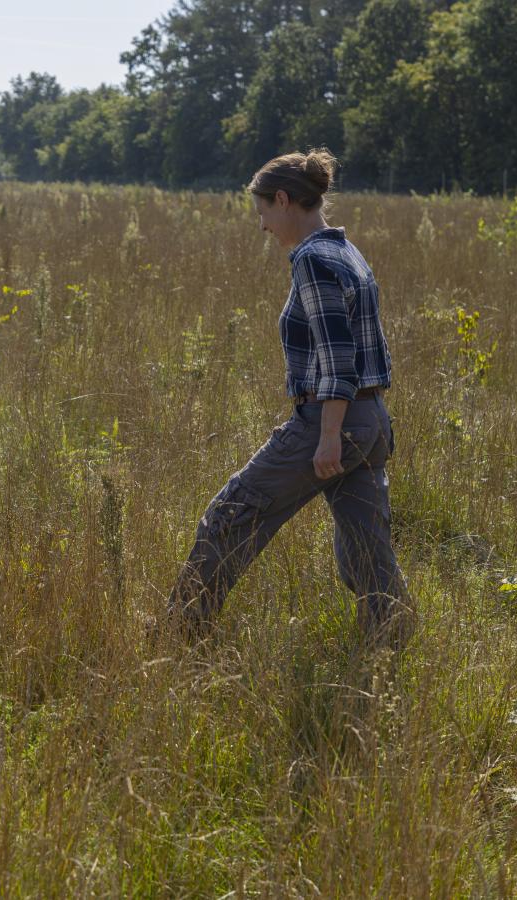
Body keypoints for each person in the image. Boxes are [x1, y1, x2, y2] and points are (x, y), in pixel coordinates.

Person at [167, 148, 415, 651]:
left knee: (230, 515)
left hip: (333, 422)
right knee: (366, 554)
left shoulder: (313, 260)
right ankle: (393, 645)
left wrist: (326, 437)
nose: (262, 226)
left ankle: (177, 635)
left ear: (283, 200)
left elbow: (338, 357)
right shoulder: (347, 250)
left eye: (262, 212)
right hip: (370, 424)